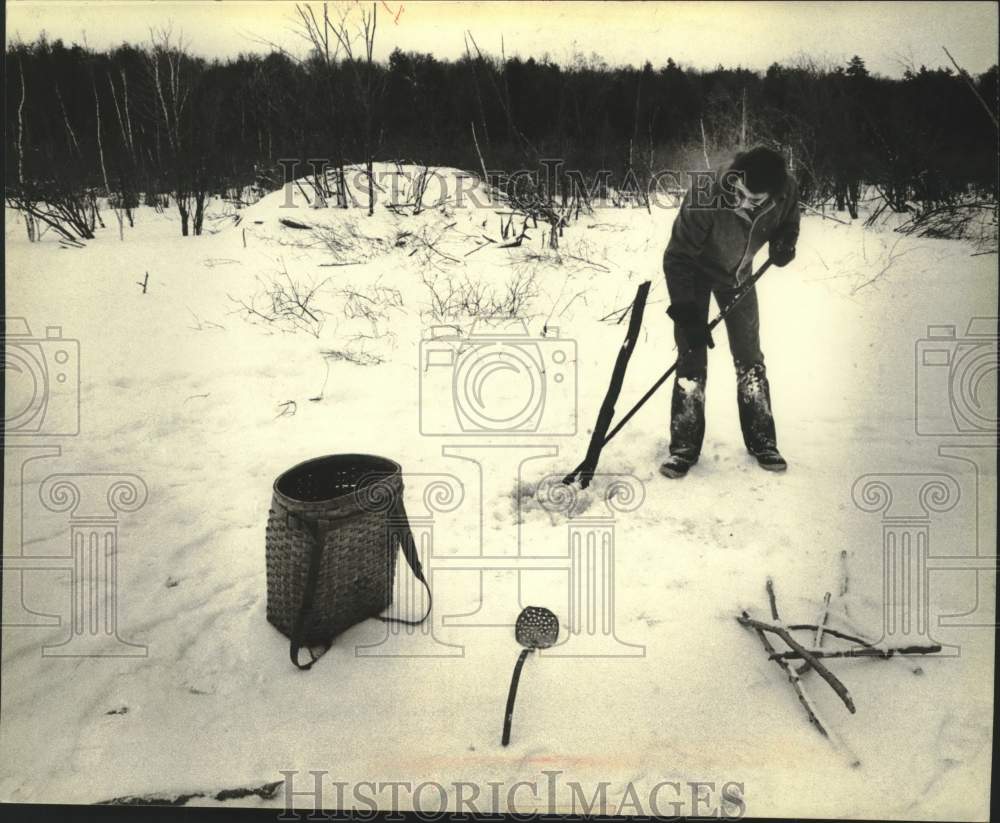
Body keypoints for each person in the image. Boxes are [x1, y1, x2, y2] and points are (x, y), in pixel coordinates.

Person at [660, 146, 800, 478]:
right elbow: (677, 257)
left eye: (753, 200)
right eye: (740, 193)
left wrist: (785, 242)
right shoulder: (707, 191)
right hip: (694, 271)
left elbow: (790, 222)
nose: (742, 203)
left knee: (749, 356)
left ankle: (762, 441)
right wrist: (686, 312)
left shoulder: (787, 190)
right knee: (691, 356)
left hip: (739, 275)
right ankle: (684, 447)